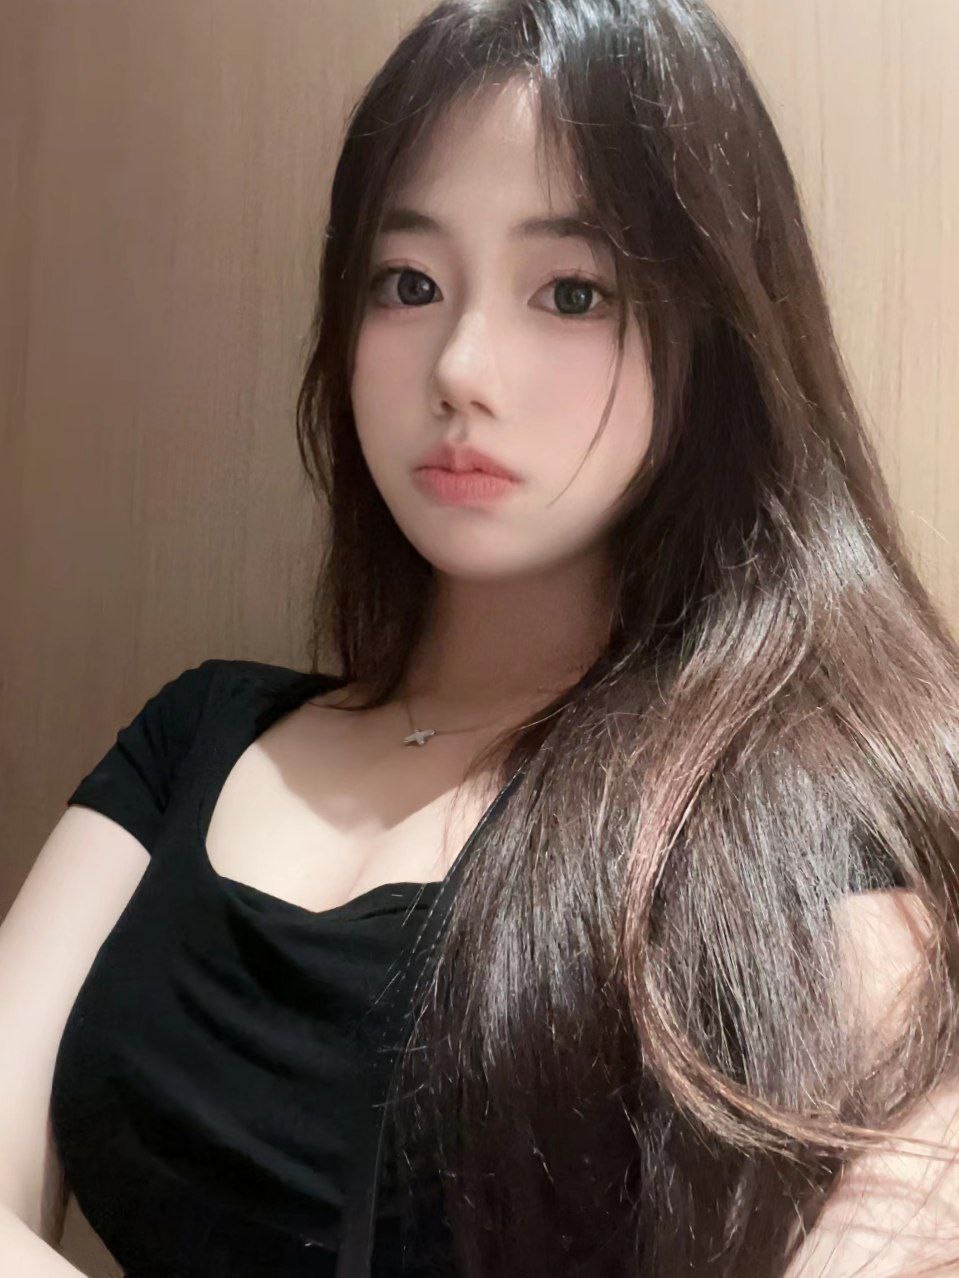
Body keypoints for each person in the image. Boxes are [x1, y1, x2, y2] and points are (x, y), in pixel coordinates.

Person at [3, 0, 959, 1274]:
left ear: (714, 339)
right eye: (408, 284)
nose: (459, 366)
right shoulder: (196, 740)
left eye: (570, 292)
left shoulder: (803, 818)